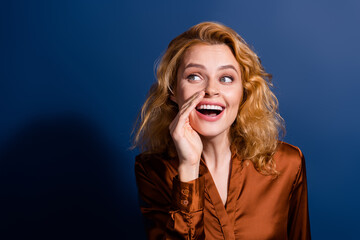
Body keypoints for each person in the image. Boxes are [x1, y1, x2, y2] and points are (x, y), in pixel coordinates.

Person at [133, 22, 311, 239]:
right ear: (173, 91)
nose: (211, 90)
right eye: (194, 76)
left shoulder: (288, 163)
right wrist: (188, 168)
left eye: (226, 78)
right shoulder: (153, 170)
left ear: (243, 92)